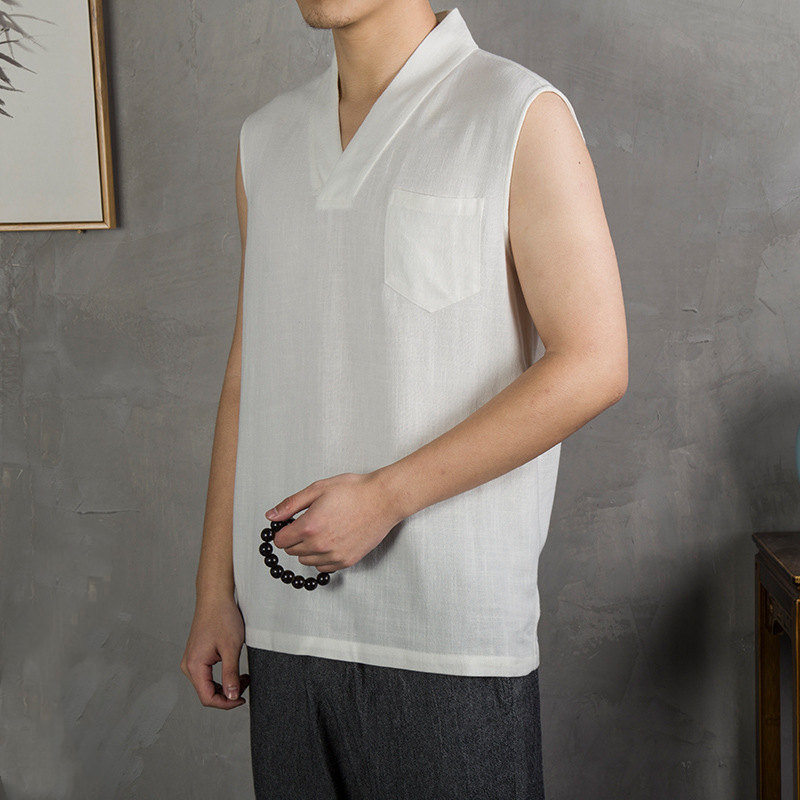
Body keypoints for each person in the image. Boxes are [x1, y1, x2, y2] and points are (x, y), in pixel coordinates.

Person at [181, 2, 627, 798]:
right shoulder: (265, 140)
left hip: (448, 639)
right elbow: (250, 373)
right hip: (286, 625)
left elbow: (595, 363)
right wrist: (215, 589)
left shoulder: (516, 112)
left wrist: (387, 496)